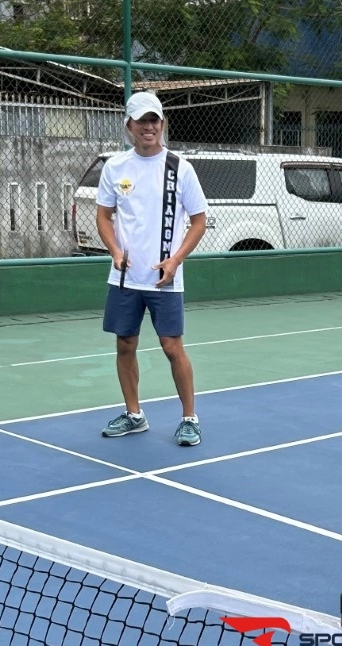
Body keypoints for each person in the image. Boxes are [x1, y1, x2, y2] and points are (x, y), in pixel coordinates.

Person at [96, 91, 208, 446]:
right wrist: (114, 250)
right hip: (126, 278)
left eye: (154, 120)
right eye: (142, 121)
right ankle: (134, 414)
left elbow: (199, 221)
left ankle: (189, 419)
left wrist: (175, 261)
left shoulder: (180, 168)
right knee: (125, 344)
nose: (149, 127)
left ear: (162, 124)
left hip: (165, 278)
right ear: (129, 125)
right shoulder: (115, 168)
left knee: (172, 346)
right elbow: (103, 215)